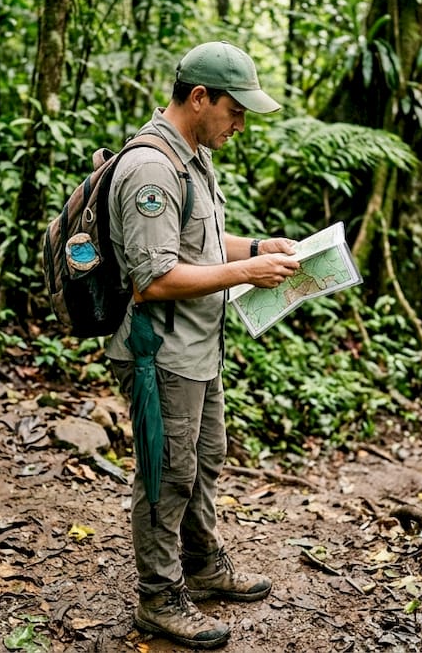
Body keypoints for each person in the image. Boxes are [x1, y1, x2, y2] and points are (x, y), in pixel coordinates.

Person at [105, 41, 300, 649]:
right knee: (167, 474)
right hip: (159, 354)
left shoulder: (192, 156)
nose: (240, 124)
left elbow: (203, 243)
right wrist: (247, 276)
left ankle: (203, 564)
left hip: (197, 347)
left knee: (204, 458)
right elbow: (154, 277)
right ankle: (158, 598)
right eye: (235, 111)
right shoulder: (151, 169)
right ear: (199, 98)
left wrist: (256, 248)